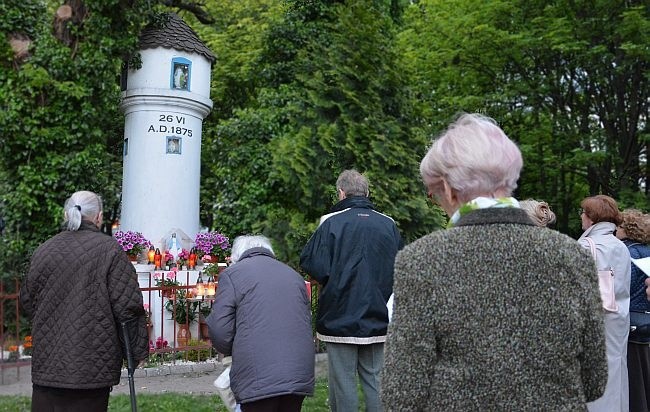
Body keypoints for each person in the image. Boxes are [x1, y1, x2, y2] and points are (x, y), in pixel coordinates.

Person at [381, 113, 607, 410]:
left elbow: (402, 394)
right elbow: (594, 381)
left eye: (434, 193)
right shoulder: (573, 255)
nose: (438, 201)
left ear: (448, 189)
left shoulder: (420, 260)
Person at [19, 190, 149, 411]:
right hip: (90, 367)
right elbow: (128, 308)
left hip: (48, 368)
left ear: (66, 214)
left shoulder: (44, 250)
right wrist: (137, 353)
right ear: (98, 217)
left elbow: (27, 302)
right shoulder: (109, 251)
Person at [300, 169, 403, 412]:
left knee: (343, 381)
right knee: (376, 380)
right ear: (366, 193)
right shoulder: (388, 224)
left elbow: (314, 267)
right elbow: (402, 266)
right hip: (379, 315)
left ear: (341, 193)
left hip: (339, 316)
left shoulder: (330, 223)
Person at [207, 235, 315, 412]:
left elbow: (220, 330)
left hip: (257, 374)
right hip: (298, 371)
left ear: (235, 258)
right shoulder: (293, 275)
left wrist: (232, 351)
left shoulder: (232, 274)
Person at [578, 195, 632, 412]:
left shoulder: (584, 246)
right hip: (618, 321)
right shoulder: (622, 247)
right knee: (616, 374)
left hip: (594, 321)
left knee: (592, 378)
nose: (581, 216)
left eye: (583, 212)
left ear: (591, 218)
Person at [616, 209, 650, 412]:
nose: (615, 231)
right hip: (647, 319)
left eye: (619, 227)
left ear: (628, 230)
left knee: (632, 373)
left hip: (630, 319)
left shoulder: (625, 252)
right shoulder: (648, 251)